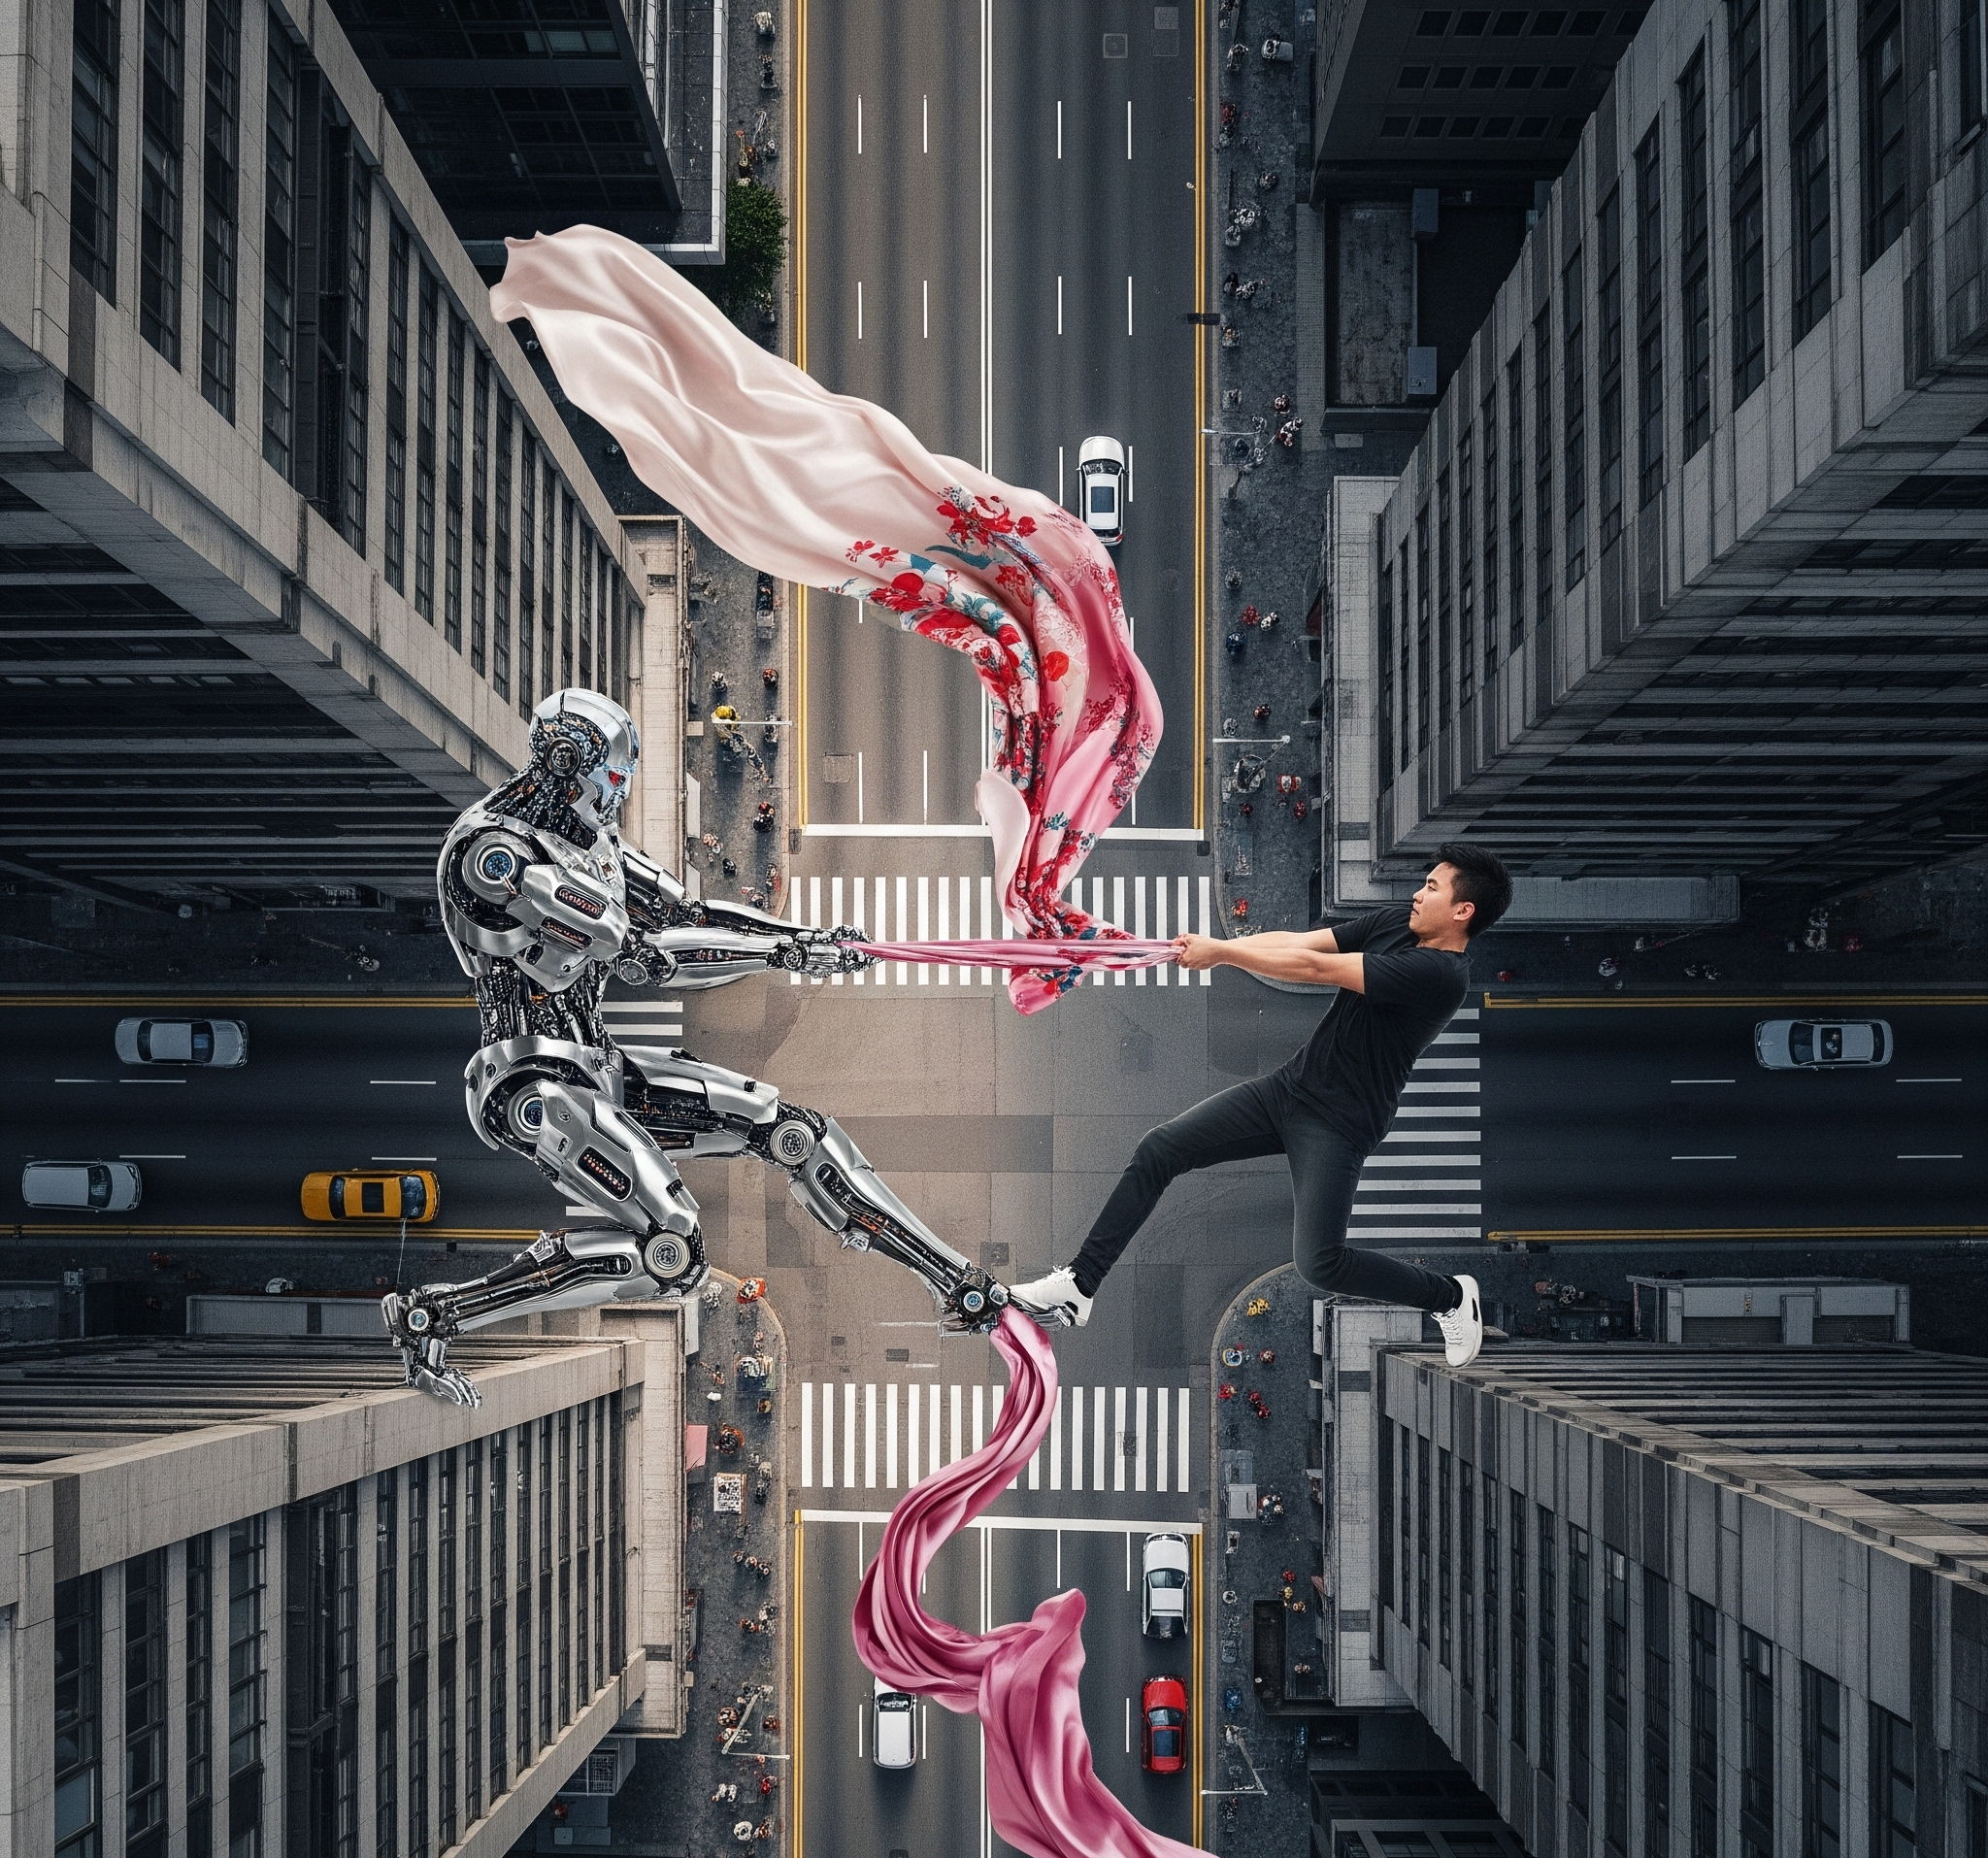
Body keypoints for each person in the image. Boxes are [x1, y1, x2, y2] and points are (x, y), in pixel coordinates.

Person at [1011, 845, 1512, 1368]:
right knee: (1161, 1148)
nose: (1417, 891)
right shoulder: (1398, 925)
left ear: (1463, 911)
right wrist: (1216, 946)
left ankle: (1451, 1297)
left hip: (1338, 1125)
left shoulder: (1440, 975)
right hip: (1289, 1090)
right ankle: (1078, 1285)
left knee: (1321, 1264)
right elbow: (1300, 942)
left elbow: (1317, 968)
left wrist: (1222, 955)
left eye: (1432, 887)